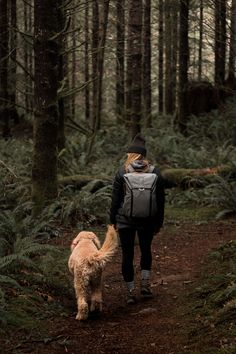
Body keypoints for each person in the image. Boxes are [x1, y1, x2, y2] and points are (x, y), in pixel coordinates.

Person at [109, 133, 166, 304]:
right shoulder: (155, 172)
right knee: (145, 250)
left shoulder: (122, 171)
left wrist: (112, 221)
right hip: (148, 220)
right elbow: (161, 200)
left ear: (130, 155)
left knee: (127, 254)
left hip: (125, 220)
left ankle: (130, 292)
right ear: (144, 155)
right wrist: (159, 222)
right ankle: (146, 286)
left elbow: (115, 199)